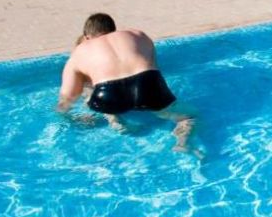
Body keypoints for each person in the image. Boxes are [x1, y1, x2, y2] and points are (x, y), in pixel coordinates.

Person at [56, 13, 194, 151]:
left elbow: (68, 95)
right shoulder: (137, 34)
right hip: (146, 85)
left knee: (90, 91)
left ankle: (114, 120)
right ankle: (183, 143)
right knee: (188, 117)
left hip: (108, 96)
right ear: (113, 30)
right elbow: (154, 70)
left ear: (86, 37)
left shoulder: (79, 52)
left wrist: (65, 115)